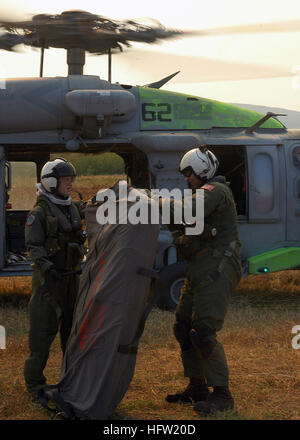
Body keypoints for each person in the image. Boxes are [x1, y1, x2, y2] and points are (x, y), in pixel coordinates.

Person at [161, 146, 242, 416]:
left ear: (203, 169)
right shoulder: (198, 195)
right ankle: (197, 387)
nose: (187, 179)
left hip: (216, 268)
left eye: (189, 173)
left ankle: (222, 395)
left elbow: (185, 213)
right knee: (183, 327)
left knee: (204, 332)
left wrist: (155, 201)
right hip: (199, 268)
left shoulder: (215, 191)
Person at [24, 157, 86, 398]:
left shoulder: (70, 207)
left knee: (72, 336)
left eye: (71, 179)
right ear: (51, 182)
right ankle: (35, 386)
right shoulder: (38, 213)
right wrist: (48, 269)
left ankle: (70, 380)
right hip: (48, 283)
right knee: (41, 337)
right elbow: (34, 246)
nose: (70, 183)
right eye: (65, 179)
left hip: (72, 280)